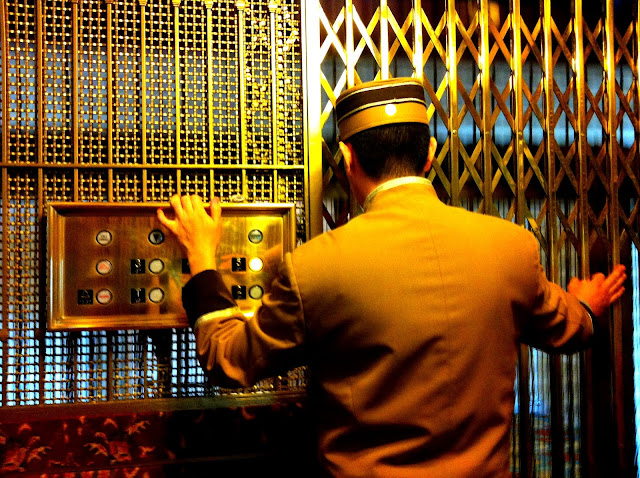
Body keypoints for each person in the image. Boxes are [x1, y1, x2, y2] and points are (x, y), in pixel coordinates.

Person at [157, 78, 626, 477]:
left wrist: (202, 256)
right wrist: (588, 302)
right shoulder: (511, 248)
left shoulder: (315, 266)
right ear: (430, 154)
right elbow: (573, 328)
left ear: (346, 156)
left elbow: (230, 361)